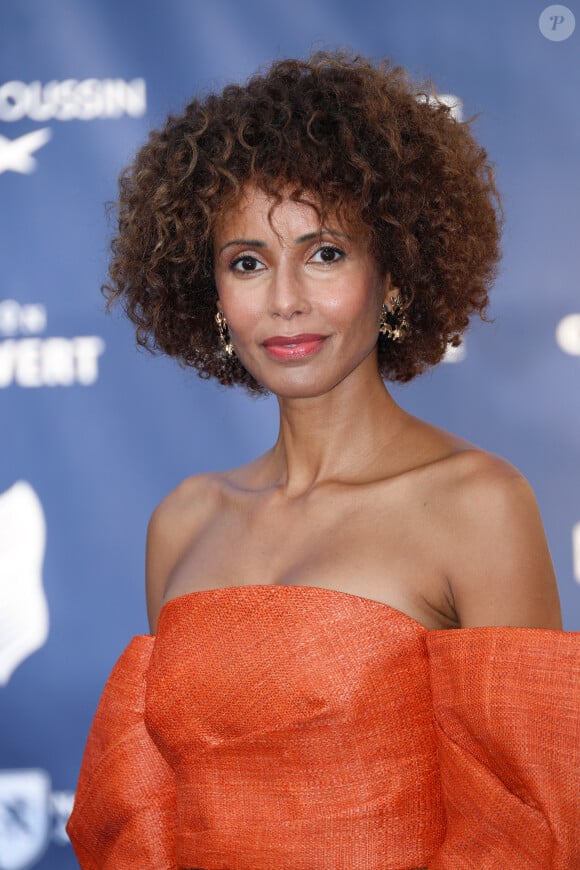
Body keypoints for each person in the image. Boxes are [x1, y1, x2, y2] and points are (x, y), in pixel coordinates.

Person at [67, 52, 579, 869]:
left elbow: (532, 828)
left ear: (395, 276)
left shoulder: (477, 504)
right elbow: (147, 815)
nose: (285, 299)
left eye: (325, 252)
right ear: (213, 297)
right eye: (247, 262)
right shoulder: (185, 520)